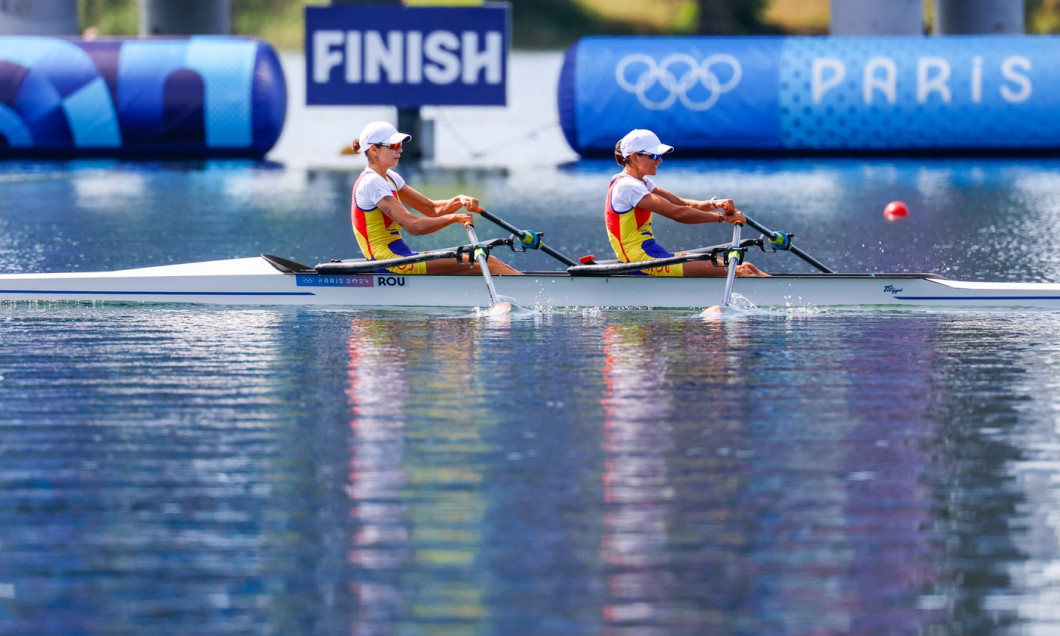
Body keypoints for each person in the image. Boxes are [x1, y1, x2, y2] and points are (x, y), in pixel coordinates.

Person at [349, 121, 519, 275]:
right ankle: (532, 301)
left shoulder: (390, 178)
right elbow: (413, 226)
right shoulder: (371, 182)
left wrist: (458, 200)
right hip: (389, 262)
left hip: (402, 257)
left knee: (486, 262)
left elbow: (431, 209)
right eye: (393, 145)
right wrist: (454, 218)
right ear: (373, 150)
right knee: (489, 263)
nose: (400, 150)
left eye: (400, 144)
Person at [605, 129, 766, 277]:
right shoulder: (628, 186)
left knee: (747, 267)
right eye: (654, 155)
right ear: (634, 157)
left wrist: (715, 204)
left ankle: (788, 301)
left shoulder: (641, 182)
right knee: (742, 271)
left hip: (654, 255)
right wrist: (722, 218)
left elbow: (681, 203)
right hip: (642, 262)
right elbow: (678, 213)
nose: (660, 160)